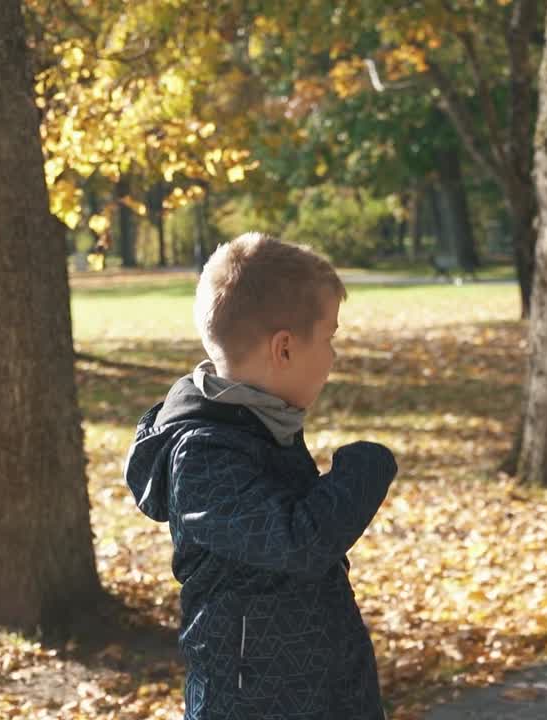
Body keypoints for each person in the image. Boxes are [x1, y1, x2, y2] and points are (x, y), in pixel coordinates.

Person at [124, 232, 398, 719]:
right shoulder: (202, 457)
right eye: (330, 337)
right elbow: (298, 542)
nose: (334, 357)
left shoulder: (262, 425)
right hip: (251, 705)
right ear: (285, 349)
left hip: (322, 694)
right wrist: (364, 469)